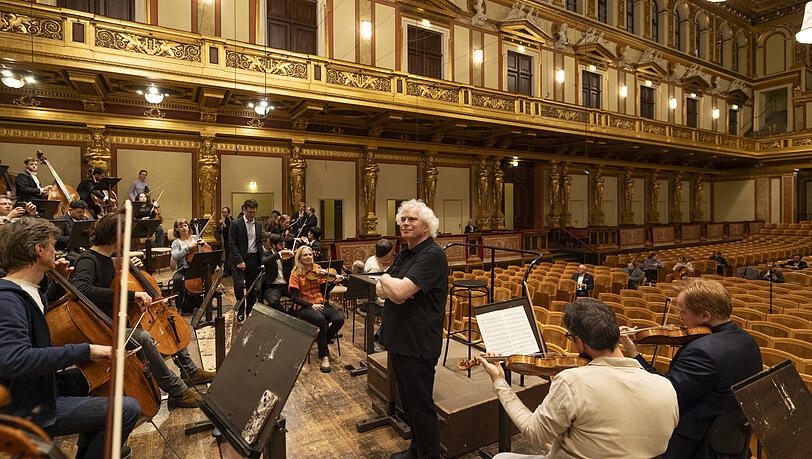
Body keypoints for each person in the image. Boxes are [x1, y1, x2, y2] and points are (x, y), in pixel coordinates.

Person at [0, 217, 141, 458]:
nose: (56, 251)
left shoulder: (26, 291)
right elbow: (14, 360)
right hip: (25, 406)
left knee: (102, 375)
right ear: (39, 249)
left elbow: (37, 320)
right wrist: (87, 350)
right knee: (127, 408)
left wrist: (57, 286)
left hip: (40, 386)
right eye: (53, 245)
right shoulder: (8, 300)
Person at [478, 299, 679, 459]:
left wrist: (499, 382)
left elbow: (534, 433)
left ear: (581, 343)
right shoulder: (665, 386)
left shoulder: (572, 382)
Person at [70, 213, 214, 409]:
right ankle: (177, 391)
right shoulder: (88, 260)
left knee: (168, 323)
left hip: (118, 320)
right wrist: (131, 295)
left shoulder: (108, 259)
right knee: (144, 337)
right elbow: (82, 289)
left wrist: (126, 270)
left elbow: (110, 283)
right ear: (115, 236)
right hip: (100, 327)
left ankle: (190, 371)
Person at [620, 277, 762, 458]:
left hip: (698, 446)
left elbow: (665, 393)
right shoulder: (746, 339)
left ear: (705, 316)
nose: (679, 318)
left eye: (683, 312)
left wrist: (634, 355)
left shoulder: (701, 351)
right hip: (731, 441)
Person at [376, 199, 448, 459]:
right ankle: (416, 451)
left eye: (412, 219)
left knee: (421, 407)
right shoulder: (407, 252)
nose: (405, 223)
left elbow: (397, 290)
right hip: (400, 340)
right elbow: (384, 293)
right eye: (403, 219)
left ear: (426, 226)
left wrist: (385, 277)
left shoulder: (431, 255)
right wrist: (391, 288)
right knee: (408, 403)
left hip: (418, 343)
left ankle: (428, 456)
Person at [288, 245, 344, 372]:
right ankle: (324, 354)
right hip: (304, 307)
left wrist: (333, 282)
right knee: (321, 320)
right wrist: (311, 305)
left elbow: (325, 291)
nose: (308, 257)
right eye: (305, 255)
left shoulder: (318, 270)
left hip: (320, 302)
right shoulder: (295, 273)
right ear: (299, 258)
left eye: (310, 255)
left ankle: (323, 338)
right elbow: (294, 298)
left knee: (338, 319)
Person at [229, 199, 263, 322]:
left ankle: (249, 311)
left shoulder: (258, 224)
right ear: (244, 210)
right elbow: (232, 244)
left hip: (253, 258)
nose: (252, 215)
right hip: (238, 258)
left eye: (254, 212)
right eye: (250, 212)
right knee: (238, 285)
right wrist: (239, 260)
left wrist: (261, 260)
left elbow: (258, 243)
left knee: (251, 288)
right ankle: (240, 310)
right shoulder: (235, 224)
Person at [170, 219, 205, 313]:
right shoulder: (176, 243)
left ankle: (207, 303)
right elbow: (175, 256)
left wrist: (204, 243)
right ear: (177, 229)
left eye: (185, 225)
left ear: (188, 227)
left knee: (208, 276)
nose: (184, 228)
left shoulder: (195, 237)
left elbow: (207, 248)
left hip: (197, 268)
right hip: (184, 269)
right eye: (181, 226)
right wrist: (188, 248)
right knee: (177, 280)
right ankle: (179, 307)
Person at [260, 232, 293, 312]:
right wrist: (278, 255)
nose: (283, 247)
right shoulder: (266, 254)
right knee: (273, 301)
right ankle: (286, 317)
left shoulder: (287, 254)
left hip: (286, 285)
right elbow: (264, 261)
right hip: (272, 286)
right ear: (273, 245)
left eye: (284, 245)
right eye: (280, 245)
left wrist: (293, 258)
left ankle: (292, 314)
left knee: (301, 298)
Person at [217, 206, 233, 276]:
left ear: (228, 213)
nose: (223, 213)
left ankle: (227, 272)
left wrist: (223, 223)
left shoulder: (230, 219)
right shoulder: (226, 219)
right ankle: (227, 271)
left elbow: (229, 230)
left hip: (230, 241)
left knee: (229, 256)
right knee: (227, 255)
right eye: (223, 212)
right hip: (226, 240)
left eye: (225, 212)